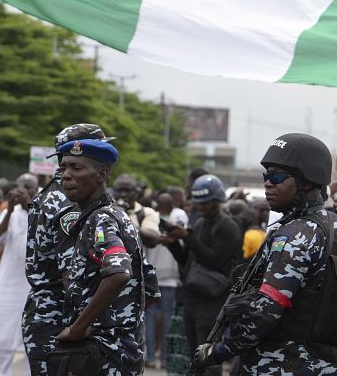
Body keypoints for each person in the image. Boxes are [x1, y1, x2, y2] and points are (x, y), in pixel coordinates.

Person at [193, 133, 337, 374]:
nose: (268, 183)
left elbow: (267, 308)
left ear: (306, 182)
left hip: (278, 364)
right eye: (266, 176)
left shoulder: (296, 234)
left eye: (276, 177)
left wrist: (218, 351)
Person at [55, 138, 154, 375]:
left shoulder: (100, 220)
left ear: (101, 175)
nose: (66, 175)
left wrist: (80, 327)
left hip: (102, 356)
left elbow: (119, 273)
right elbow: (149, 289)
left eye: (76, 168)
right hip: (118, 352)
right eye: (63, 168)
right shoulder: (117, 216)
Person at [22, 123, 111, 374]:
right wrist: (80, 326)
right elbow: (72, 273)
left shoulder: (57, 192)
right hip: (59, 315)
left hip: (50, 312)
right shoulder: (68, 200)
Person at [168, 173, 241, 376]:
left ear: (218, 201)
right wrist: (173, 244)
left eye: (206, 203)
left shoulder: (228, 227)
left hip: (212, 302)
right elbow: (189, 263)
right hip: (192, 299)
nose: (201, 207)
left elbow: (213, 261)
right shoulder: (199, 223)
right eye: (198, 202)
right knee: (196, 358)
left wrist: (187, 238)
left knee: (208, 359)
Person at [0, 186, 32, 376]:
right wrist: (10, 209)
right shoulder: (11, 212)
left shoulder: (44, 212)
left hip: (33, 285)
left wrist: (30, 205)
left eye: (29, 189)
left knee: (33, 336)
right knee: (3, 333)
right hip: (9, 284)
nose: (24, 193)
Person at [145, 193, 181, 370]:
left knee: (149, 317)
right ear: (172, 204)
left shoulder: (150, 222)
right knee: (167, 319)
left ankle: (150, 357)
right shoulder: (178, 222)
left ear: (157, 205)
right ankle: (165, 359)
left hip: (152, 276)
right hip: (171, 280)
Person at [114, 173, 161, 247]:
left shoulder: (147, 212)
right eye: (119, 191)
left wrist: (125, 218)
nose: (123, 194)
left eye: (127, 191)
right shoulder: (104, 211)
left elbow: (153, 241)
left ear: (137, 192)